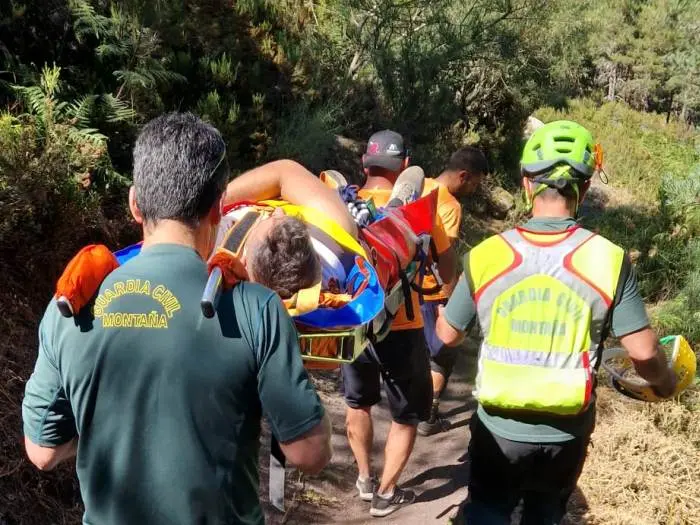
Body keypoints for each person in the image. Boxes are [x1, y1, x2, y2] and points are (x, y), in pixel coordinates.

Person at [22, 112, 332, 525]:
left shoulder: (72, 305)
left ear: (135, 203)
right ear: (219, 208)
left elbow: (42, 451)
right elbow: (309, 454)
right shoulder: (255, 308)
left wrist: (111, 420)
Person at [435, 120, 677, 524]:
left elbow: (446, 334)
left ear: (527, 186)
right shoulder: (609, 258)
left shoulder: (486, 254)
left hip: (497, 427)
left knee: (487, 510)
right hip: (566, 432)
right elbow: (643, 353)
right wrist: (666, 384)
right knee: (545, 514)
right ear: (582, 190)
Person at [342, 129, 457, 517]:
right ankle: (386, 494)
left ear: (364, 163)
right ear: (405, 165)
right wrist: (443, 299)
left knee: (358, 402)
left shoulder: (344, 205)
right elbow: (446, 262)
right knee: (407, 413)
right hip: (402, 324)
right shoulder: (419, 208)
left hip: (354, 321)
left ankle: (363, 478)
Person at [416, 146, 488, 437]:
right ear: (463, 175)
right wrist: (450, 298)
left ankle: (410, 403)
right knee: (444, 351)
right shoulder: (450, 205)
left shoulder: (419, 185)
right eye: (475, 182)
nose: (475, 188)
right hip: (432, 291)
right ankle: (427, 415)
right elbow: (445, 255)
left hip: (403, 287)